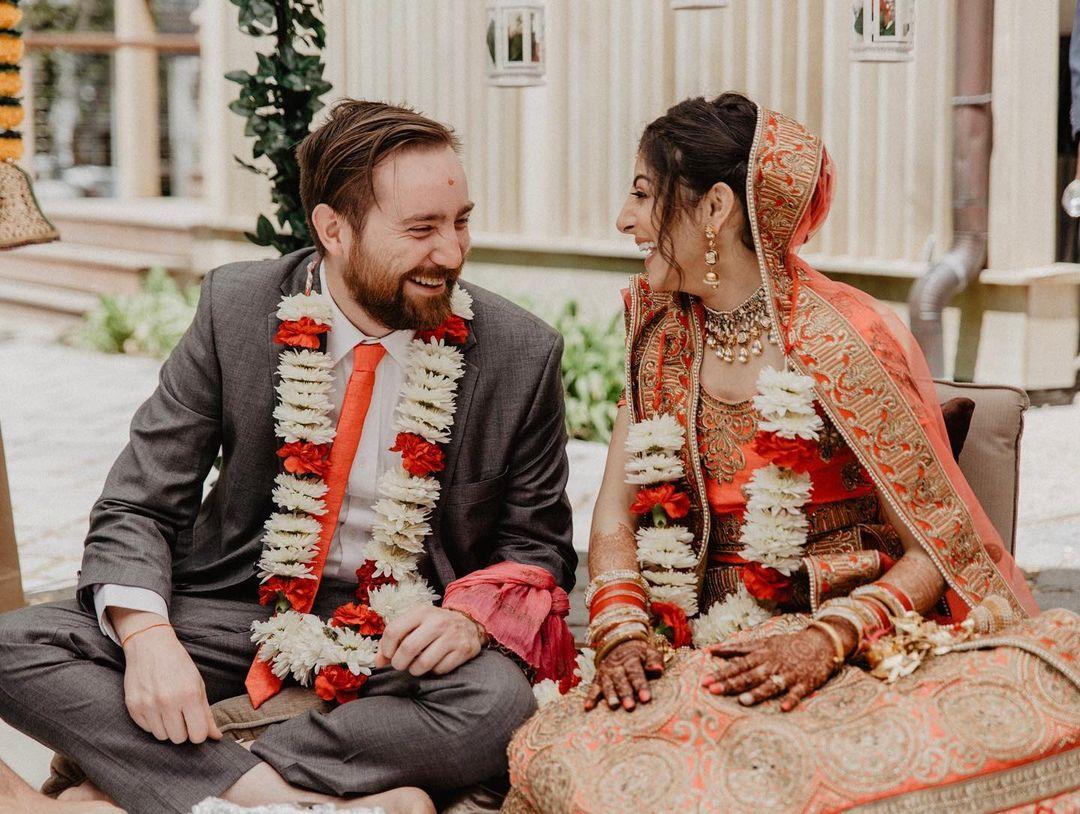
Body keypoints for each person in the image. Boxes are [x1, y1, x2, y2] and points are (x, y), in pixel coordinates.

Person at [505, 93, 1080, 813]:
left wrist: (826, 640)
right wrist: (622, 633)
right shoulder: (661, 333)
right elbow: (615, 516)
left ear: (716, 208)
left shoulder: (843, 342)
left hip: (836, 638)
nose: (624, 218)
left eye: (644, 194)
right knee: (562, 754)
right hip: (689, 641)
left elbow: (933, 550)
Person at [0, 100, 578, 814]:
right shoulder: (236, 309)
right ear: (333, 229)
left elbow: (538, 547)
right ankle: (274, 796)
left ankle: (178, 776)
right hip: (237, 613)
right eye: (421, 229)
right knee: (16, 643)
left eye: (460, 222)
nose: (452, 253)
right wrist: (148, 640)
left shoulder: (520, 353)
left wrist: (468, 621)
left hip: (402, 640)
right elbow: (138, 504)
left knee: (497, 705)